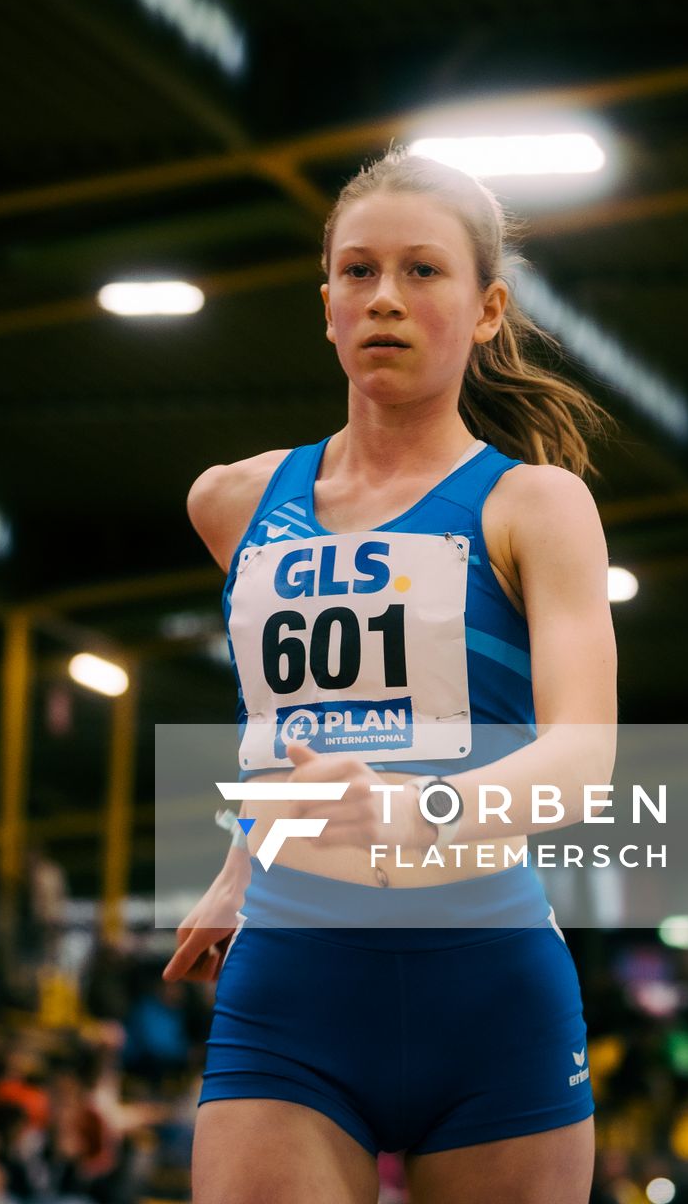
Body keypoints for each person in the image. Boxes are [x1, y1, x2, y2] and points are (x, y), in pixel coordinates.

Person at [165, 148, 617, 1202]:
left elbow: (584, 754)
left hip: (491, 989)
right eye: (358, 272)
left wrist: (422, 810)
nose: (386, 300)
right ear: (324, 303)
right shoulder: (231, 502)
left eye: (423, 272)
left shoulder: (535, 506)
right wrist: (241, 863)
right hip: (295, 984)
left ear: (488, 307)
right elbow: (284, 718)